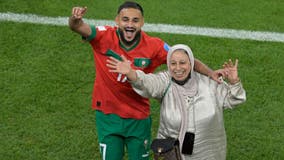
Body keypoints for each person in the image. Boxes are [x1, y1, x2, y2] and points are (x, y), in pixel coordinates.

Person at [69, 1, 221, 160]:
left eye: (135, 20)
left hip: (138, 117)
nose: (130, 24)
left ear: (142, 22)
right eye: (125, 19)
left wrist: (210, 73)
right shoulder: (103, 36)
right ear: (117, 20)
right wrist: (75, 18)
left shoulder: (154, 46)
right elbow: (77, 27)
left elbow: (185, 59)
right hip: (108, 115)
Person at [107, 44, 246, 160]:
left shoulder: (209, 83)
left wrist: (234, 82)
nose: (178, 68)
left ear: (191, 63)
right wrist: (131, 73)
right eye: (173, 63)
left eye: (182, 63)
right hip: (173, 153)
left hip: (209, 152)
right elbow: (146, 82)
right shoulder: (165, 81)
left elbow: (234, 99)